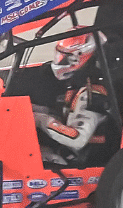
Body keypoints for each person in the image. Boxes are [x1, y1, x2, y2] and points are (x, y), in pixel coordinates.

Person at [31, 32, 110, 166]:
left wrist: (39, 119)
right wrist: (26, 109)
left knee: (27, 158)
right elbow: (61, 116)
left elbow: (77, 138)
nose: (59, 61)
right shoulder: (78, 86)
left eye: (65, 57)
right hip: (68, 152)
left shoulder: (93, 93)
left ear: (80, 58)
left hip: (84, 159)